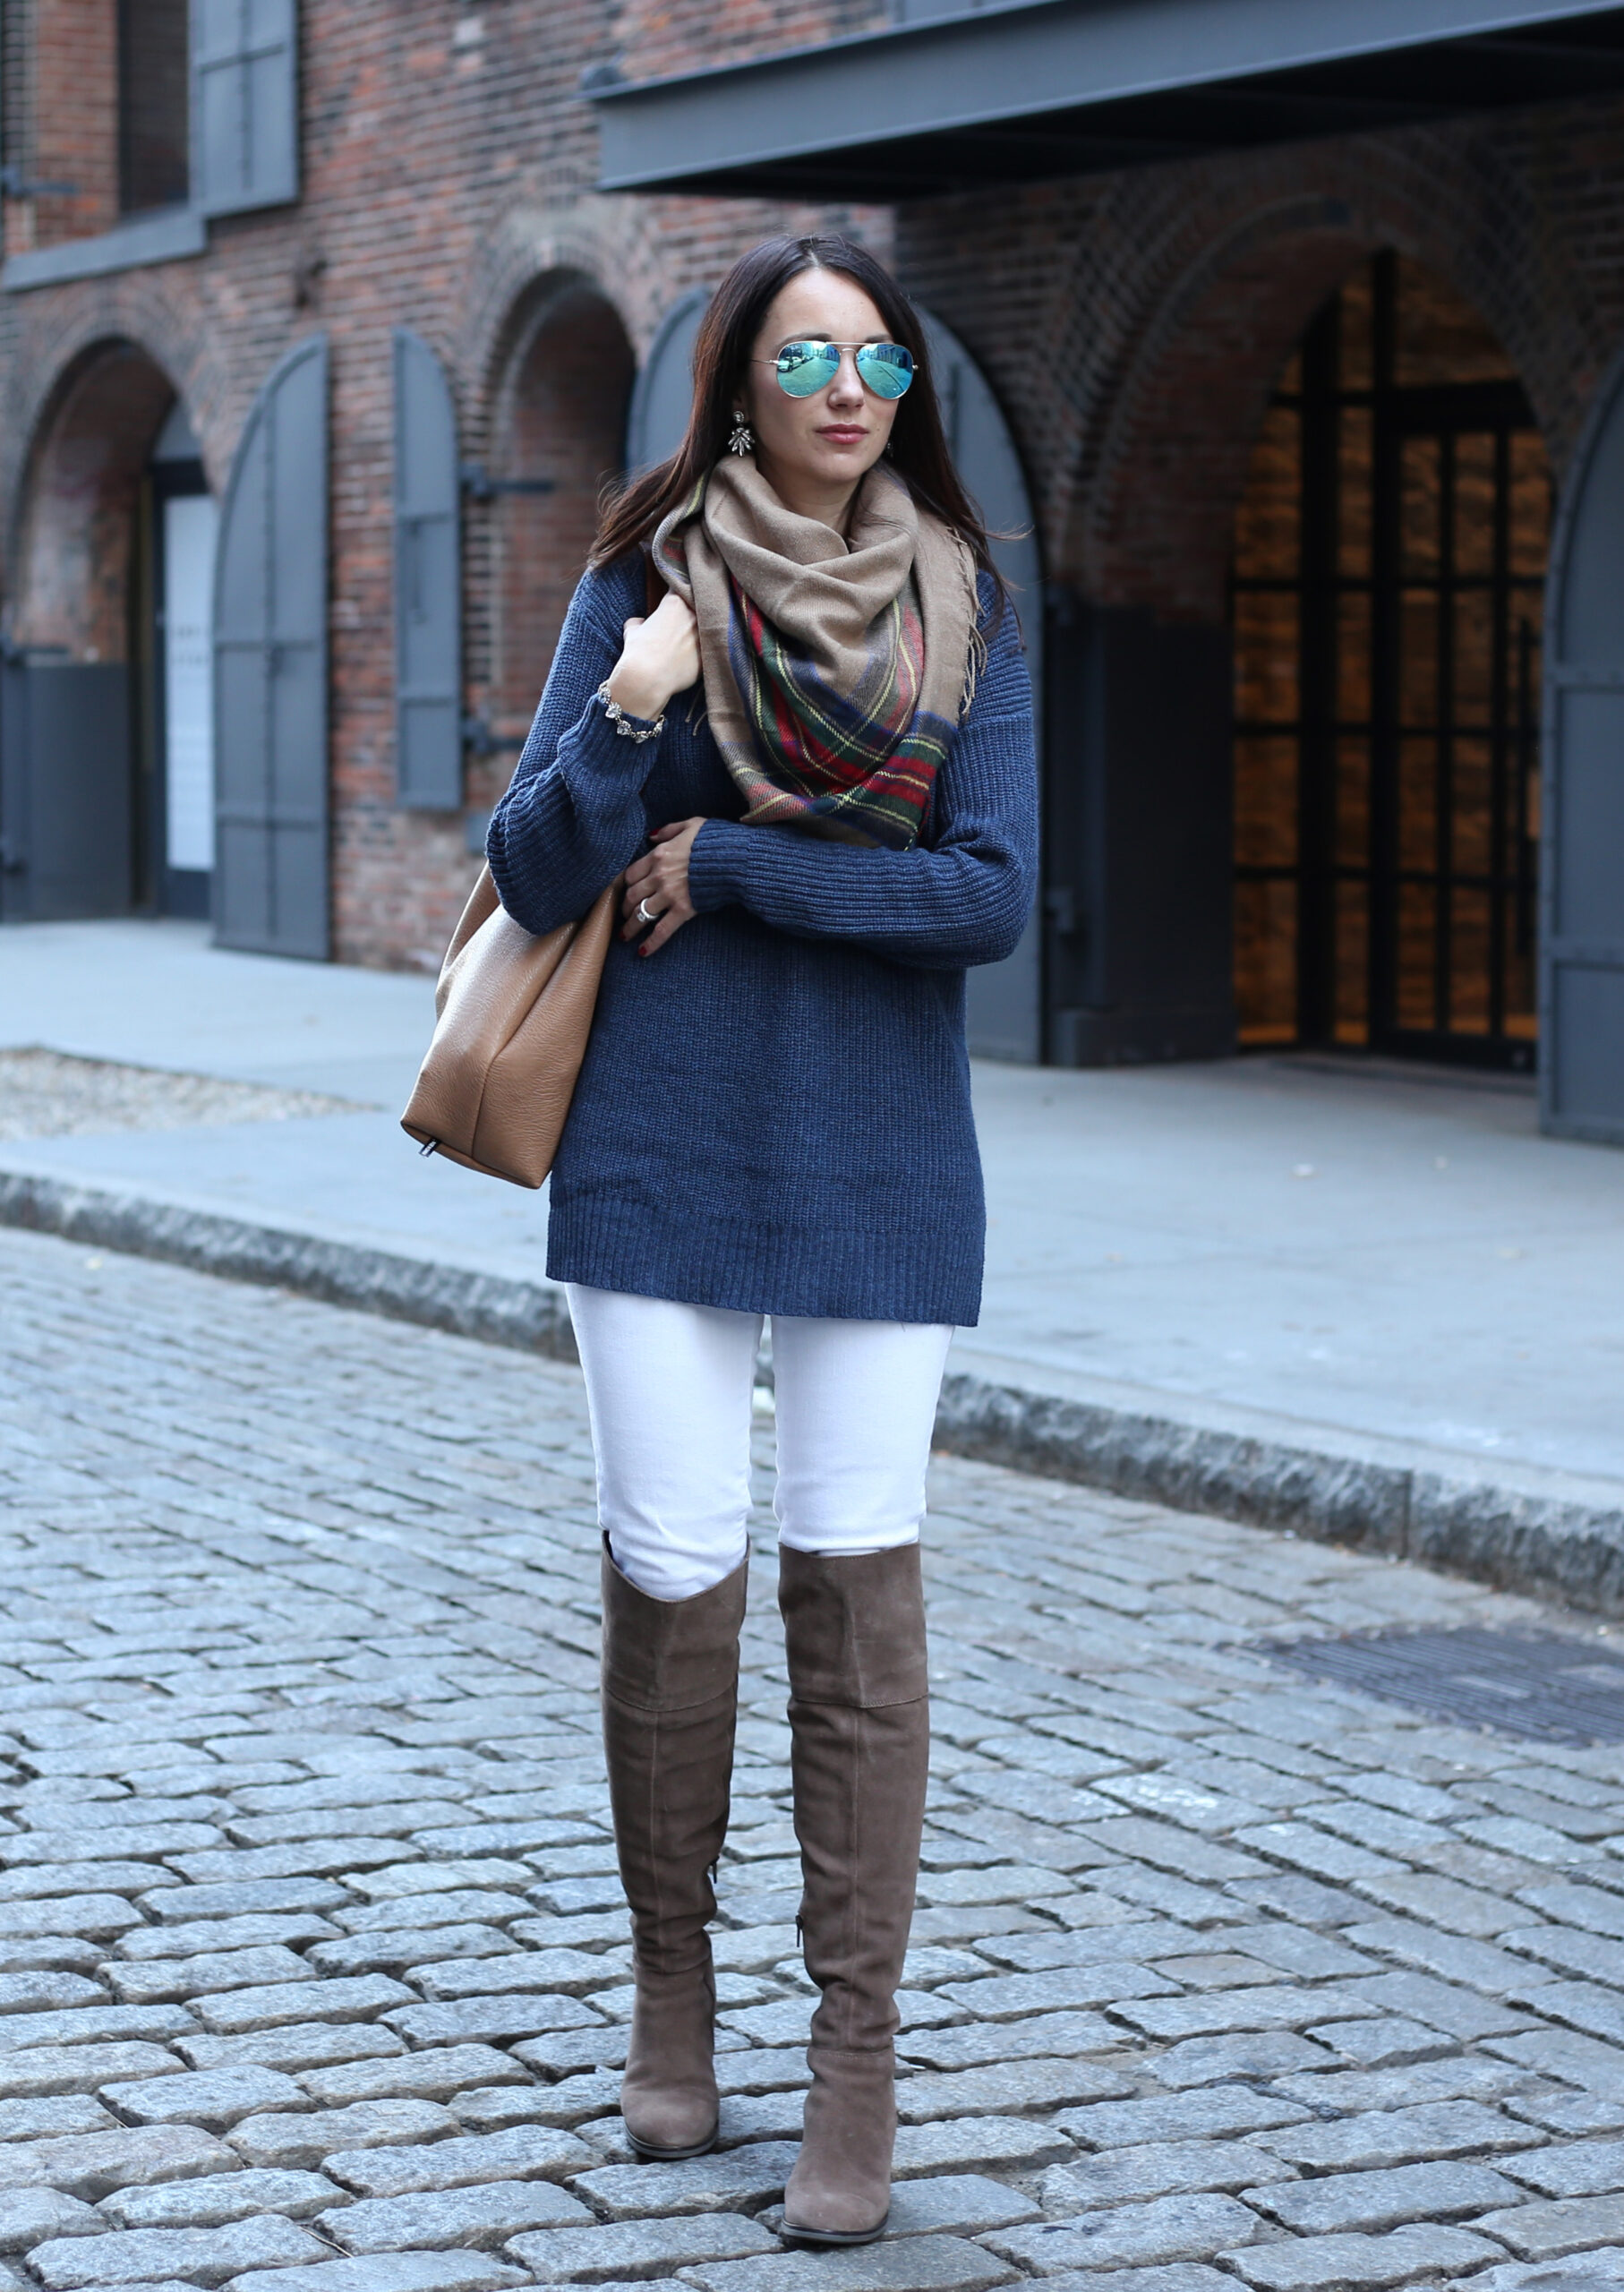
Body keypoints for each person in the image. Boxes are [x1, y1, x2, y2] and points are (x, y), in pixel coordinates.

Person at [486, 232, 1038, 2245]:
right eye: (806, 358)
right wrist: (631, 721)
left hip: (878, 1157)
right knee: (670, 1561)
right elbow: (537, 864)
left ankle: (854, 2057)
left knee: (857, 1579)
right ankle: (671, 1989)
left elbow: (983, 899)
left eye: (877, 359)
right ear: (735, 386)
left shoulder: (972, 604)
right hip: (650, 1149)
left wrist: (728, 858)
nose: (845, 389)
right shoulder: (636, 591)